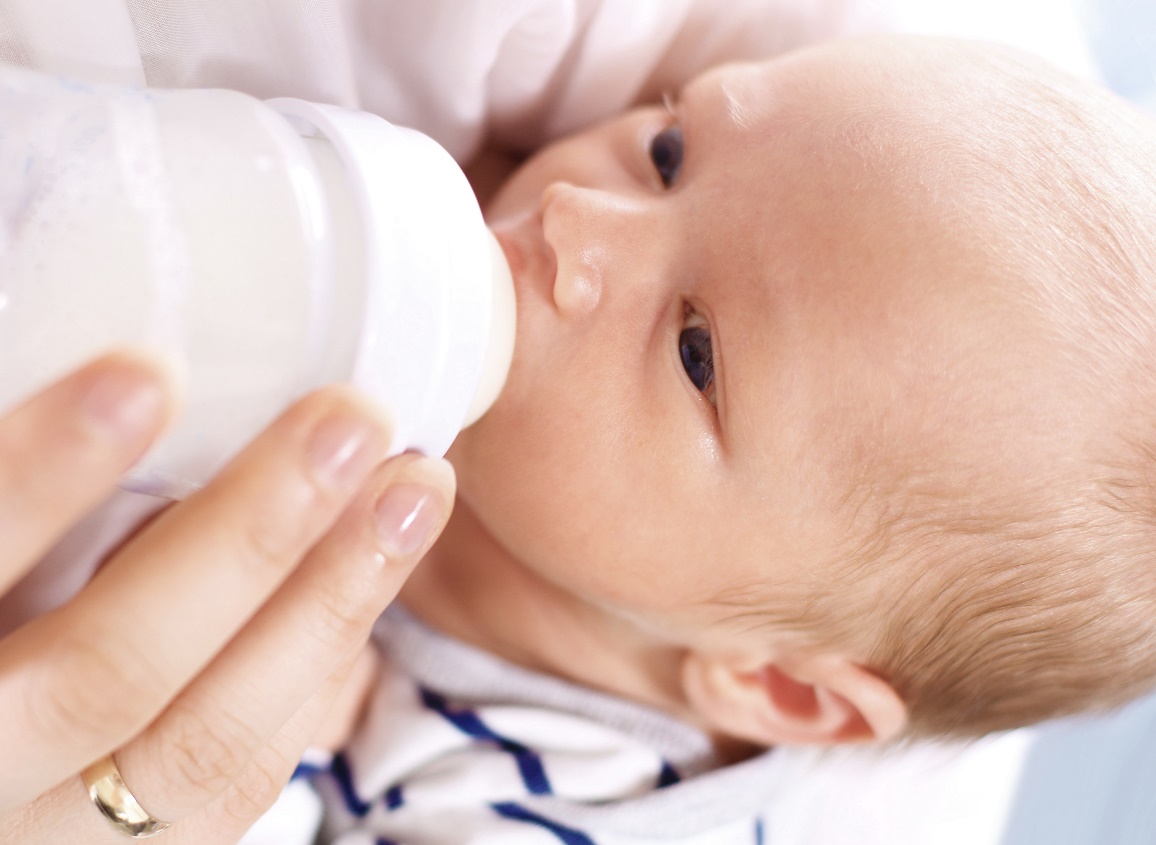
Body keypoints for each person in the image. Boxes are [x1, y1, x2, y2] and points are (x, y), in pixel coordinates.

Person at [249, 35, 1156, 844]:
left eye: (695, 353)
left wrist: (280, 759)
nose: (575, 215)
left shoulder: (557, 808)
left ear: (780, 687)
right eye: (668, 153)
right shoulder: (465, 203)